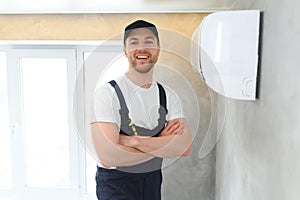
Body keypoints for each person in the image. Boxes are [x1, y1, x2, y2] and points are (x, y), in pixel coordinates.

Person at [91, 19, 192, 200]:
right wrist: (160, 144)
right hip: (116, 184)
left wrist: (133, 142)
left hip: (152, 180)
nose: (142, 48)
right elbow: (108, 156)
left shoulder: (168, 96)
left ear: (158, 50)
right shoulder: (107, 93)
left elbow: (184, 147)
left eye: (148, 41)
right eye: (134, 42)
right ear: (125, 52)